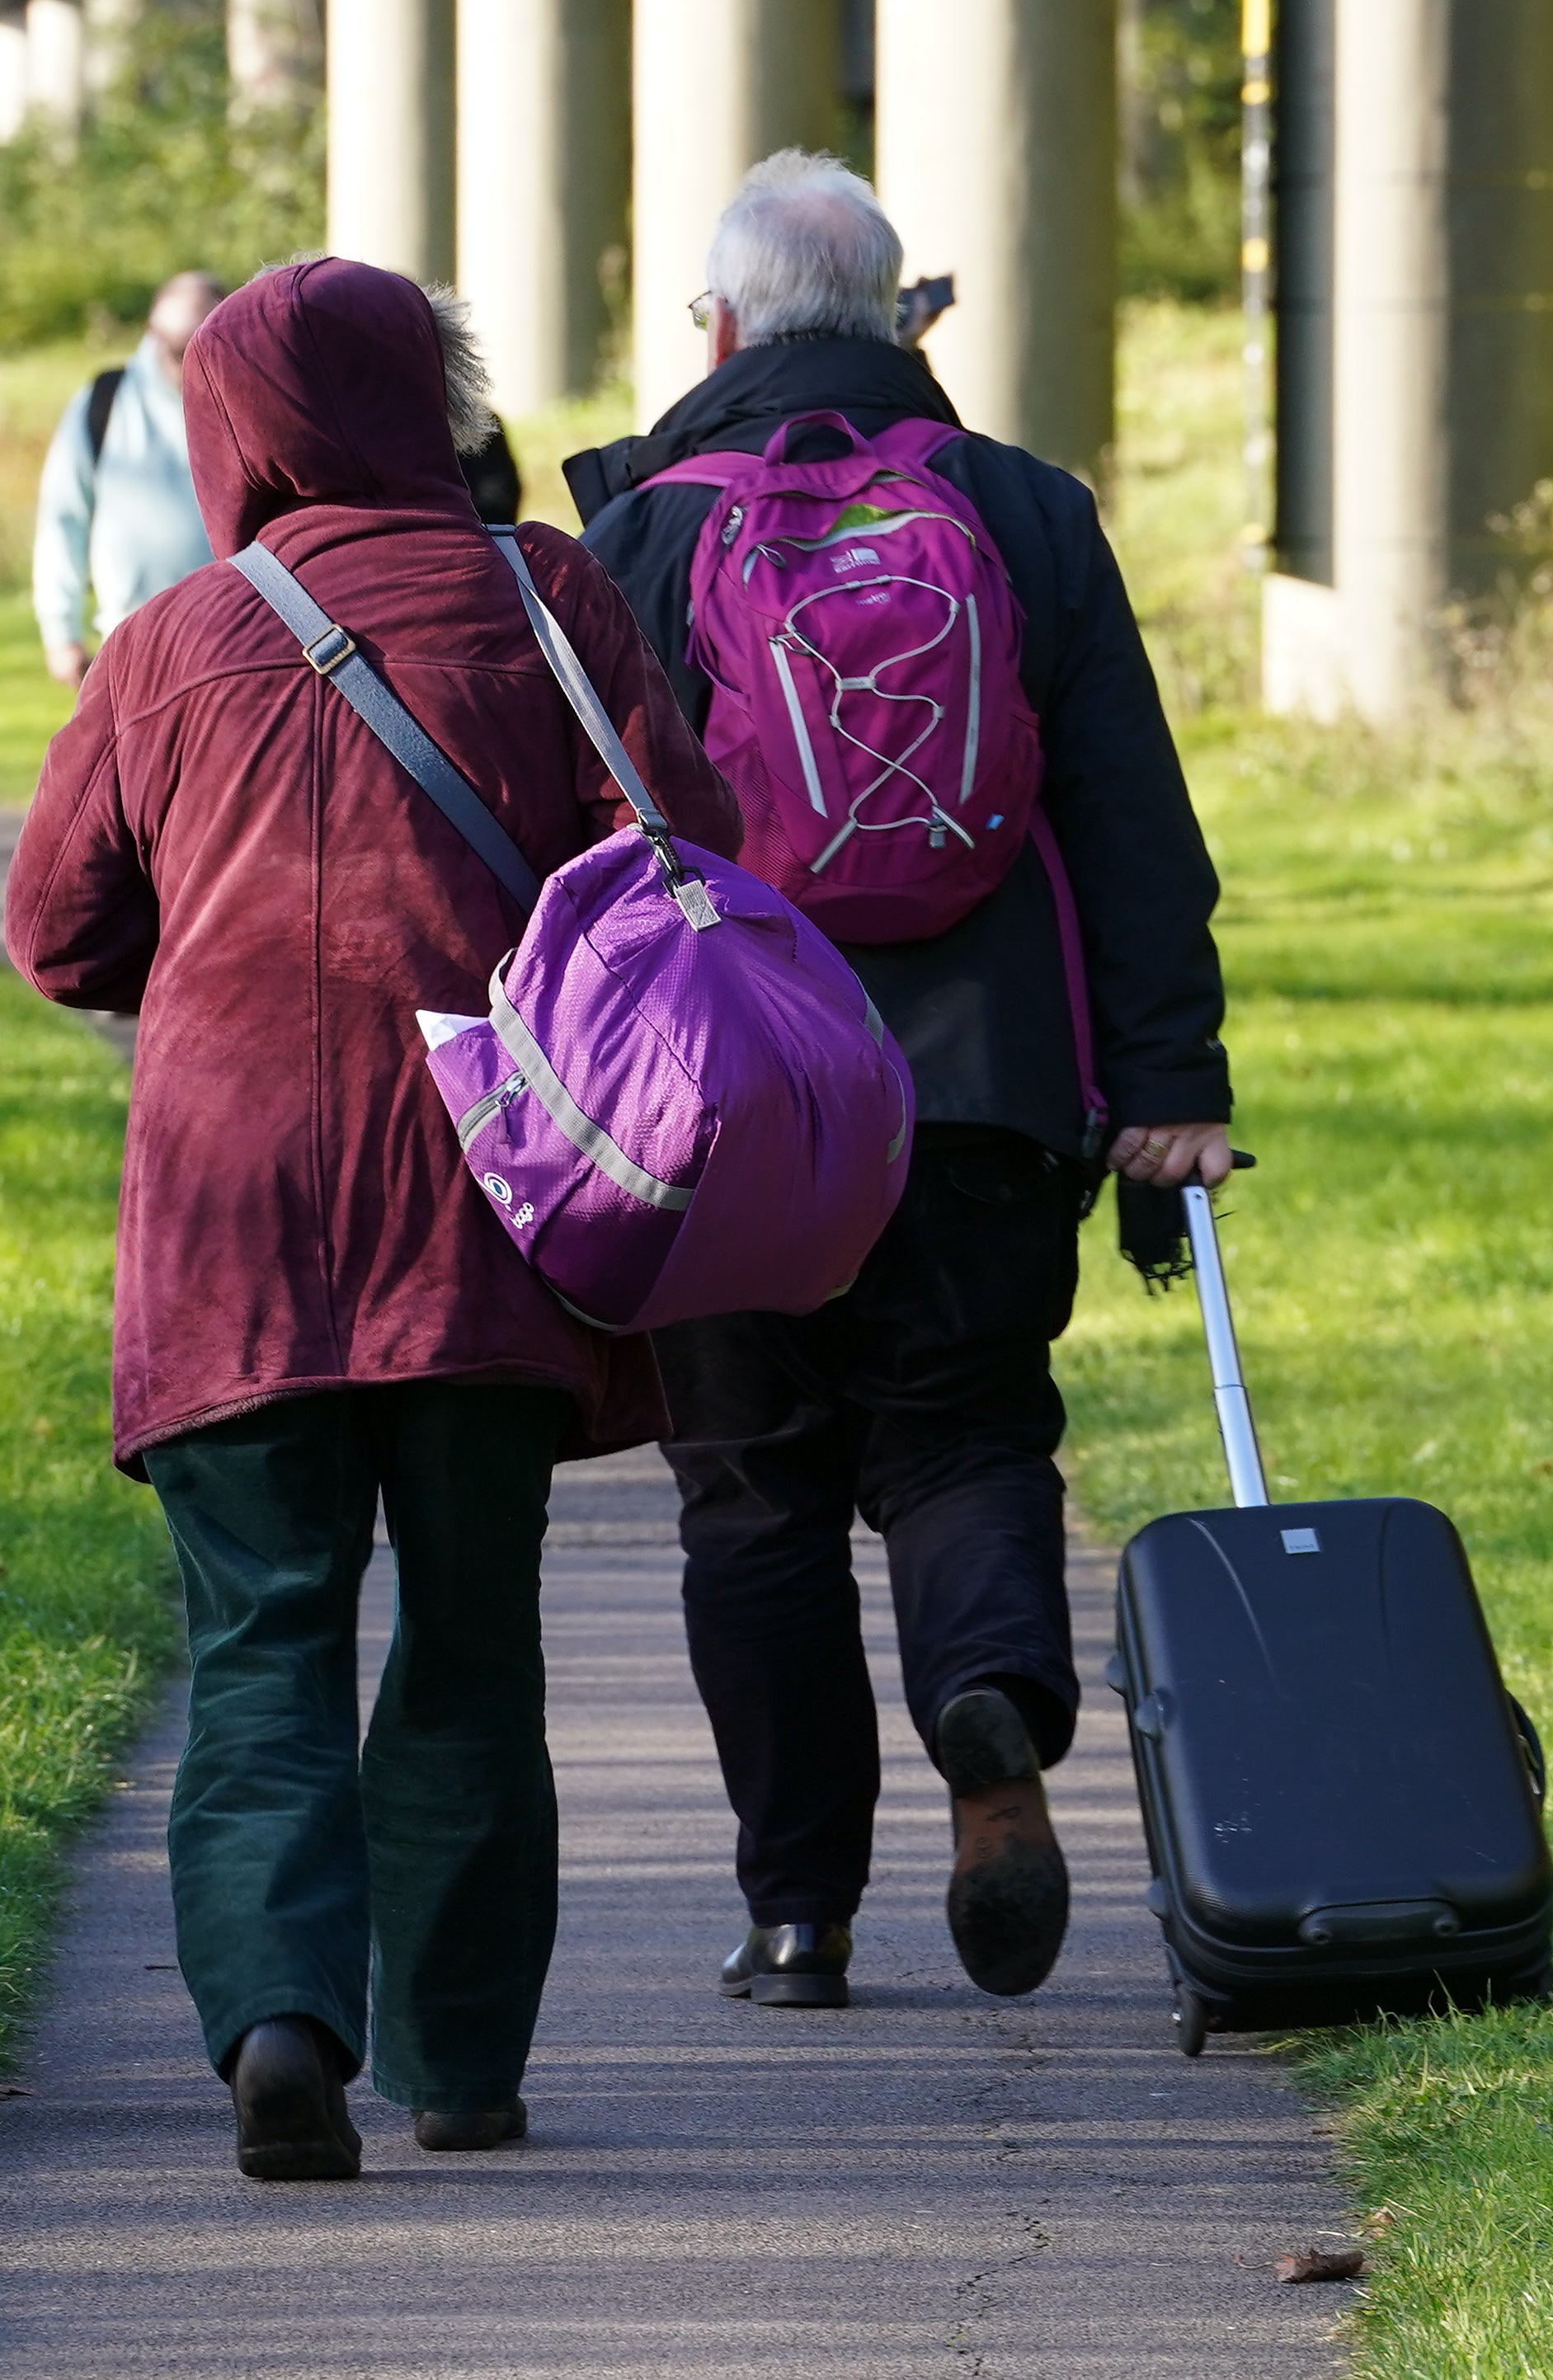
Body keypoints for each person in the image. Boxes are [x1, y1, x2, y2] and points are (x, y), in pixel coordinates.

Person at [11, 258, 741, 2178]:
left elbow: (54, 930)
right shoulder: (546, 593)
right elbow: (687, 847)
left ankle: (276, 2019)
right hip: (485, 1187)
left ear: (227, 424)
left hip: (235, 1199)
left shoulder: (168, 639)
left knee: (263, 1634)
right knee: (474, 1636)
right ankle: (466, 2059)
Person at [567, 152, 1234, 2011]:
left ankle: (799, 1914)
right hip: (985, 1082)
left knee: (754, 1499)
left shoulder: (639, 535)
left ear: (716, 328)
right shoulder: (1021, 513)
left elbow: (582, 852)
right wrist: (1166, 1081)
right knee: (963, 1433)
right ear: (900, 318)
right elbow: (1126, 816)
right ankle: (987, 1712)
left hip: (727, 1106)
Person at [30, 269, 224, 687]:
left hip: (234, 641)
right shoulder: (107, 400)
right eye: (176, 349)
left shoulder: (250, 402)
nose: (186, 361)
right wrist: (61, 631)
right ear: (153, 334)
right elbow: (63, 516)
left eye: (198, 347)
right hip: (130, 647)